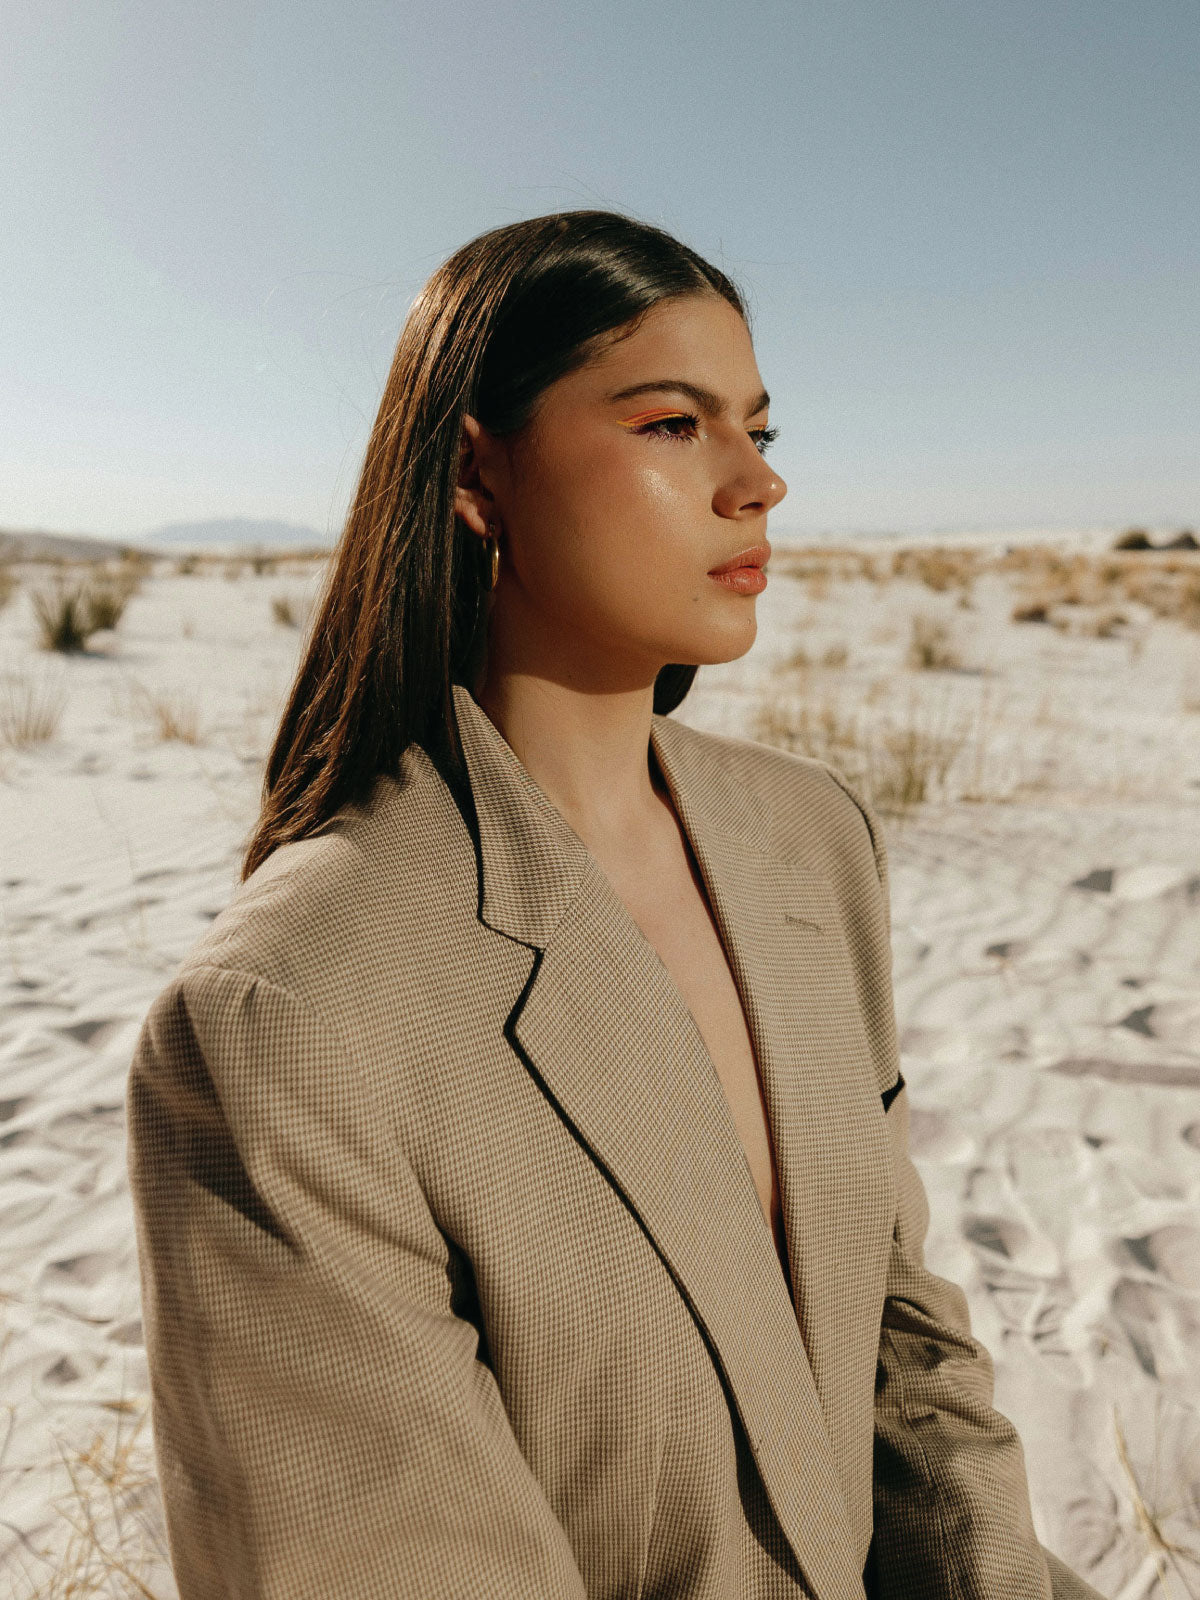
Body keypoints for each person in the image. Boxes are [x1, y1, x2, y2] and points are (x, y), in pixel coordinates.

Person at [125, 210, 1106, 1599]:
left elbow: (898, 1333)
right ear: (476, 471)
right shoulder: (285, 1013)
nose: (756, 483)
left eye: (760, 431)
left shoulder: (810, 840)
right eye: (670, 425)